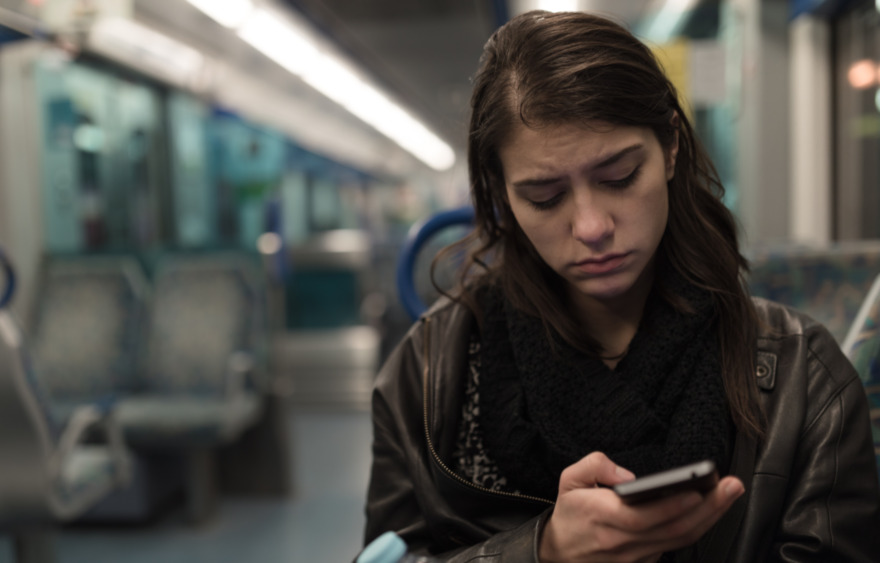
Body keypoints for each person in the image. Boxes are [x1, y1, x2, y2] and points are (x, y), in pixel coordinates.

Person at [362, 10, 880, 563]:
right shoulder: (428, 373)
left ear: (672, 148)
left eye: (619, 178)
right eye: (544, 197)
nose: (591, 228)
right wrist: (544, 551)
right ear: (501, 195)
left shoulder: (805, 378)